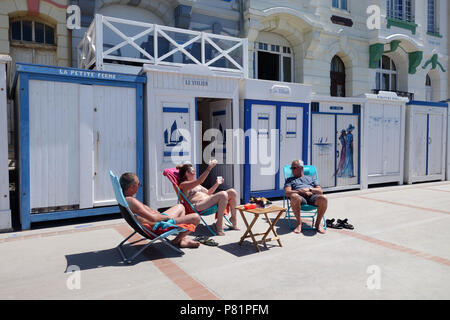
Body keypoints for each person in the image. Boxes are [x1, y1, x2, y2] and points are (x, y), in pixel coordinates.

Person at [120, 172, 201, 248]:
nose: (139, 186)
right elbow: (153, 219)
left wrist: (159, 214)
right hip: (157, 226)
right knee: (196, 218)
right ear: (131, 187)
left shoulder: (125, 199)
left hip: (157, 221)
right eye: (138, 184)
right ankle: (176, 241)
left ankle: (182, 239)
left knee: (180, 207)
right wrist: (167, 218)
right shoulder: (131, 201)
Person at [177, 161, 239, 236]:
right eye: (193, 171)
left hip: (207, 201)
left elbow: (208, 192)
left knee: (232, 192)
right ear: (187, 173)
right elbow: (200, 180)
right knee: (223, 194)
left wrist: (217, 184)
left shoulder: (197, 184)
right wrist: (209, 168)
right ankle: (218, 226)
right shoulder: (184, 185)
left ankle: (233, 219)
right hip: (198, 205)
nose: (195, 173)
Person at [284, 160, 327, 234]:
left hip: (312, 196)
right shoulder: (290, 180)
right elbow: (287, 192)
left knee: (324, 198)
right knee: (294, 196)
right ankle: (299, 224)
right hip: (299, 199)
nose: (292, 170)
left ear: (301, 168)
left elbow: (320, 191)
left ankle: (317, 223)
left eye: (294, 168)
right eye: (291, 168)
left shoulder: (311, 178)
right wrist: (300, 192)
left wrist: (309, 189)